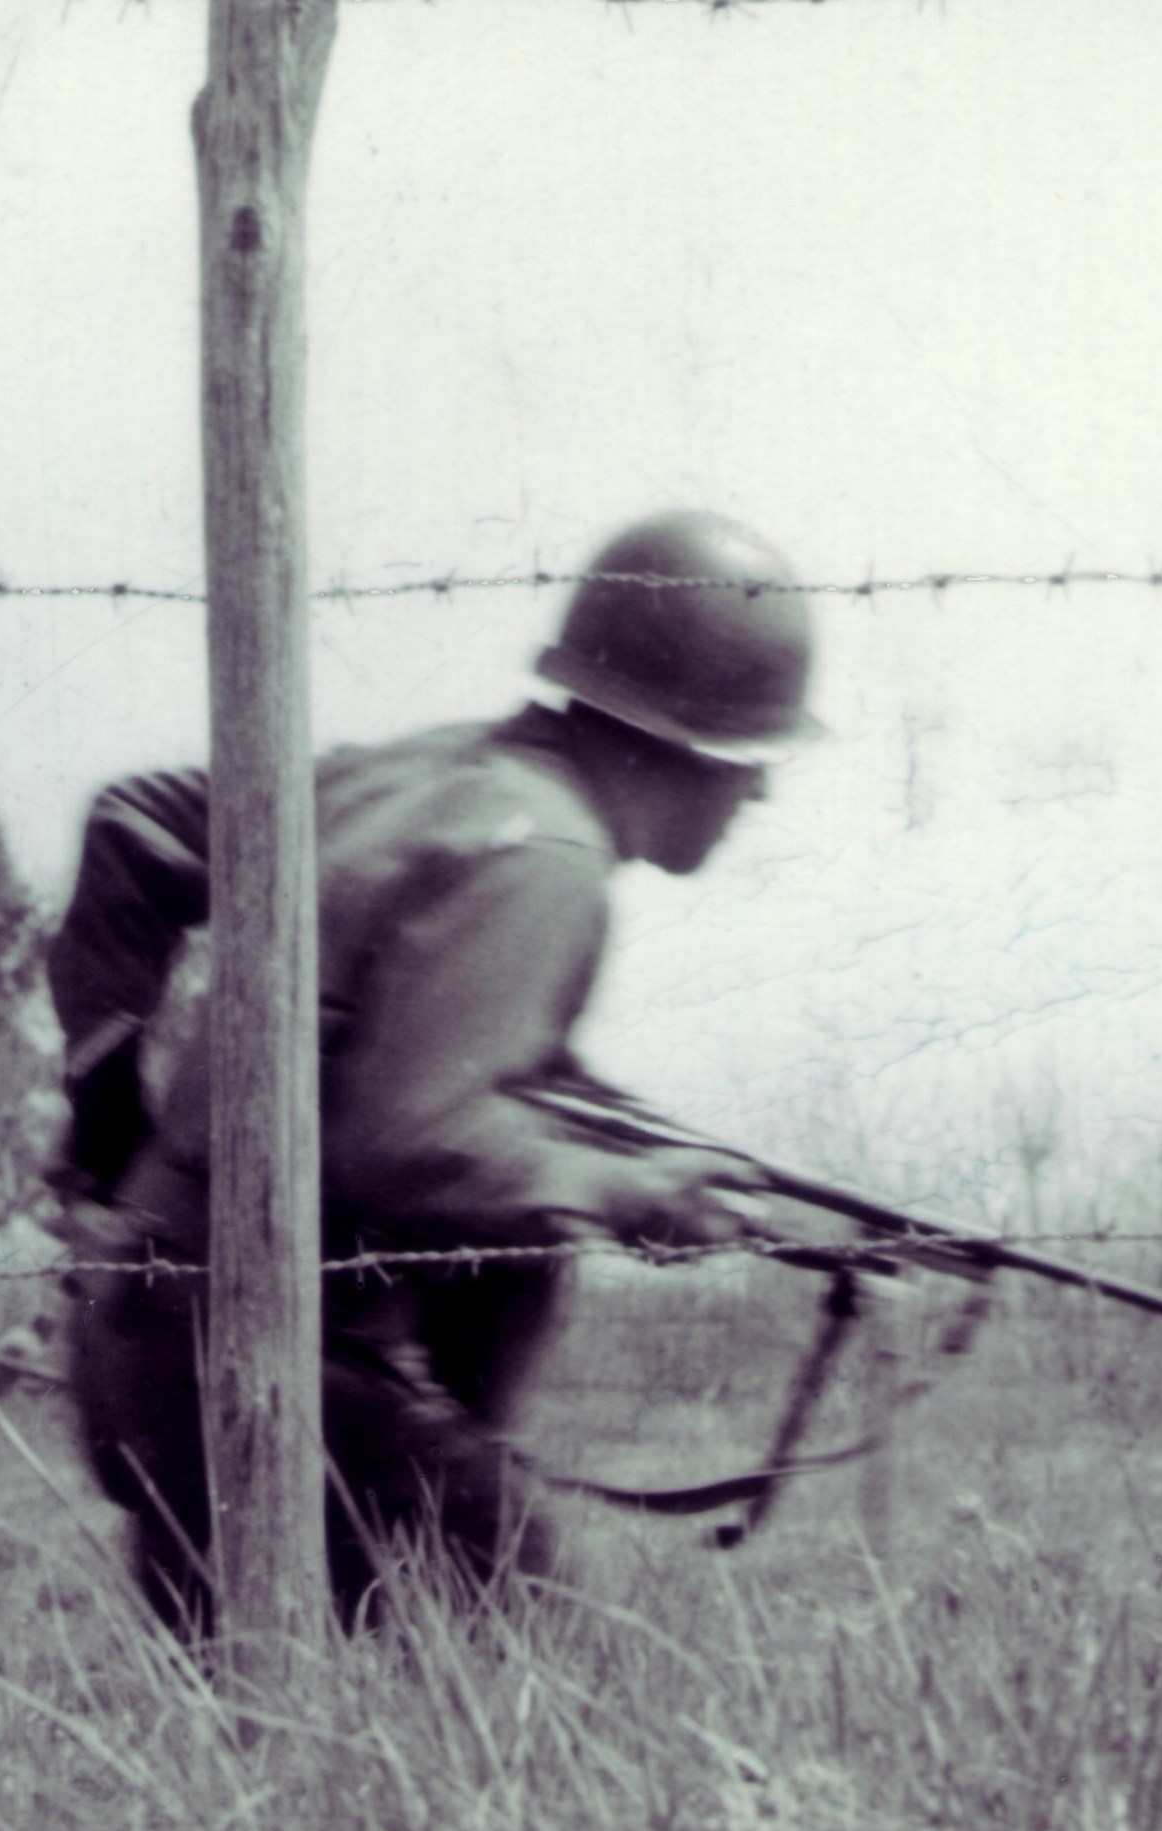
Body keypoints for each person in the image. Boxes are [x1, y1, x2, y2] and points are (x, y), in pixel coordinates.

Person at [48, 509, 819, 1634]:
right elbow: (404, 1136)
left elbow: (131, 827)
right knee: (522, 1709)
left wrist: (117, 1155)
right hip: (268, 1366)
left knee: (254, 1754)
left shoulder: (423, 776)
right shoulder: (550, 859)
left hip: (150, 1345)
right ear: (682, 741)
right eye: (753, 761)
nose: (758, 796)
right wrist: (629, 1190)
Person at [0, 1310, 62, 1417]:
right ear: (45, 1329)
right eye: (50, 1330)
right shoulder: (29, 1342)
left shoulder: (19, 1333)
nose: (51, 1335)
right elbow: (22, 1368)